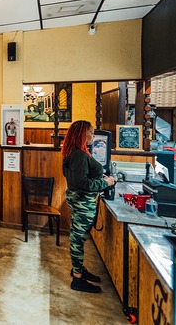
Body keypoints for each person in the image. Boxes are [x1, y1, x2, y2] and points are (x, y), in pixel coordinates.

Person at [61, 120, 115, 293]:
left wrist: (100, 179)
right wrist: (105, 183)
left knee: (79, 237)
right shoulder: (79, 155)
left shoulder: (73, 153)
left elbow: (78, 179)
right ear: (82, 134)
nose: (93, 135)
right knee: (78, 239)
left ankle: (79, 269)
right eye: (91, 132)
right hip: (82, 202)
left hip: (79, 200)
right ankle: (77, 278)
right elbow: (82, 182)